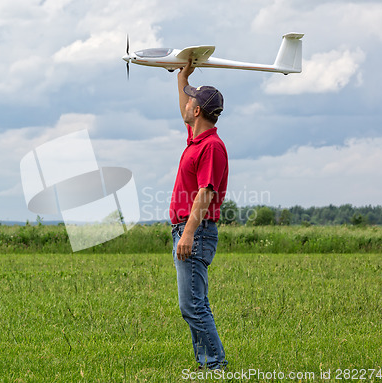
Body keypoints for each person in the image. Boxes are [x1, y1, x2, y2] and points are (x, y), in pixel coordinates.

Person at [169, 59, 229, 370]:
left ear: (198, 112)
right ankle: (207, 362)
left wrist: (189, 232)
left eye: (191, 98)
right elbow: (184, 111)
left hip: (197, 229)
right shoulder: (196, 138)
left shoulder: (212, 147)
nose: (187, 101)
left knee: (192, 305)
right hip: (187, 229)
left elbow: (205, 193)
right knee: (195, 303)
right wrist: (183, 77)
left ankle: (215, 364)